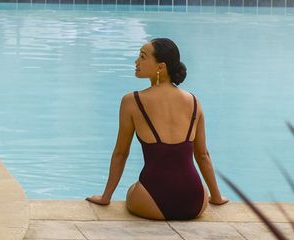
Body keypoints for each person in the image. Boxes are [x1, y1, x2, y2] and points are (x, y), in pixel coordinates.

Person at [85, 38, 228, 220]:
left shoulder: (132, 101)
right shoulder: (194, 101)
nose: (136, 62)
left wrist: (106, 197)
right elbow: (202, 155)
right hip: (195, 202)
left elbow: (121, 153)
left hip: (153, 201)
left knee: (132, 190)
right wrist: (216, 197)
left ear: (161, 67)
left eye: (142, 57)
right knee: (191, 184)